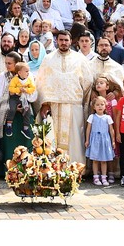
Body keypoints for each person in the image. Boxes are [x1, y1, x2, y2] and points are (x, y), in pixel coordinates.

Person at [36, 29, 92, 164]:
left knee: (74, 137)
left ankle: (75, 167)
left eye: (66, 40)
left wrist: (81, 99)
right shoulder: (48, 59)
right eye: (61, 40)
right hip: (53, 105)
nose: (63, 43)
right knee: (53, 136)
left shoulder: (80, 59)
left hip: (73, 103)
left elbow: (88, 81)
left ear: (71, 41)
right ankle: (53, 168)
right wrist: (44, 103)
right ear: (56, 41)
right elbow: (41, 82)